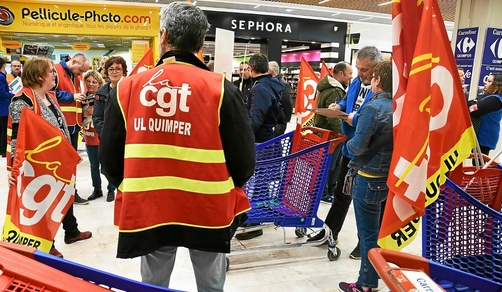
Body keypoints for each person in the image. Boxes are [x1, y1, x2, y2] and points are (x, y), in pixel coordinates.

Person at [99, 2, 255, 291]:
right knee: (211, 283)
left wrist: (127, 183)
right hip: (208, 207)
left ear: (164, 35)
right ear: (198, 42)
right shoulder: (220, 88)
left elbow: (109, 159)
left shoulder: (127, 88)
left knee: (154, 284)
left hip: (150, 207)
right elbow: (244, 160)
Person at [7, 57, 92, 258]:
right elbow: (16, 139)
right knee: (45, 202)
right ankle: (47, 243)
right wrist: (12, 169)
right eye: (51, 72)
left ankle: (71, 231)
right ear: (38, 76)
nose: (55, 75)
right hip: (38, 164)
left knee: (65, 194)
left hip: (58, 160)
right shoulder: (22, 102)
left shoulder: (50, 96)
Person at [319, 46, 384, 259]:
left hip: (368, 150)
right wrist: (338, 107)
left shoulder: (384, 90)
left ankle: (365, 243)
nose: (359, 73)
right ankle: (330, 231)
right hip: (351, 141)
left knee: (365, 201)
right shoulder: (356, 82)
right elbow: (349, 102)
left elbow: (377, 116)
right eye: (357, 68)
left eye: (364, 69)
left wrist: (354, 118)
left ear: (377, 67)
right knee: (341, 192)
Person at [338, 60, 393, 292]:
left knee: (367, 234)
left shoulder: (372, 108)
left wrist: (344, 148)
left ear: (377, 80)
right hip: (388, 175)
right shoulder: (400, 105)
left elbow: (358, 147)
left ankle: (366, 284)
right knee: (378, 231)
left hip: (368, 175)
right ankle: (375, 276)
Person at [235, 53, 285, 241]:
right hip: (266, 139)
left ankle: (253, 221)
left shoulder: (261, 88)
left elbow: (255, 120)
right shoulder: (269, 84)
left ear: (252, 68)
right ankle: (253, 217)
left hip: (260, 142)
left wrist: (240, 131)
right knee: (259, 181)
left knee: (256, 182)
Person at [310, 61, 352, 205]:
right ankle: (324, 192)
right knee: (330, 165)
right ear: (341, 74)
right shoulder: (335, 90)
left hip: (324, 133)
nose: (351, 77)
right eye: (350, 74)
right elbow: (333, 116)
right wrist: (343, 132)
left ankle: (326, 190)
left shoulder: (328, 87)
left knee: (326, 164)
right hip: (332, 135)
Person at [53, 53, 89, 205]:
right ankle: (59, 193)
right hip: (60, 126)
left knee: (71, 162)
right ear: (73, 61)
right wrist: (71, 97)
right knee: (59, 163)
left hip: (74, 127)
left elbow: (81, 96)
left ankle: (70, 192)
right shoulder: (54, 71)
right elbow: (49, 93)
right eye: (80, 70)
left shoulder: (78, 77)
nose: (81, 74)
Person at [82, 71, 116, 202]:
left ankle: (111, 189)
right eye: (88, 81)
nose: (91, 84)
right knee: (94, 165)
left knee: (108, 164)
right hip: (89, 134)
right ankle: (97, 189)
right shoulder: (82, 97)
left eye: (94, 81)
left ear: (99, 83)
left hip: (103, 134)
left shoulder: (104, 95)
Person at [468, 73, 502, 156]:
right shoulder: (486, 96)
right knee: (476, 161)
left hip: (485, 135)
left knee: (480, 163)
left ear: (496, 85)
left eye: (489, 81)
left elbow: (474, 110)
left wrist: (472, 105)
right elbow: (471, 103)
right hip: (480, 134)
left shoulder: (495, 100)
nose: (485, 83)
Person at [268, 61, 293, 137]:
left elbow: (287, 103)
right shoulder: (271, 82)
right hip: (274, 119)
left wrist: (285, 119)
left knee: (275, 143)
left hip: (277, 120)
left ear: (271, 71)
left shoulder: (282, 84)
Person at [0, 58, 14, 158]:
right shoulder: (1, 77)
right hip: (3, 107)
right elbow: (2, 92)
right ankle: (3, 150)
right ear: (3, 65)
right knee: (4, 129)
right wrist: (13, 95)